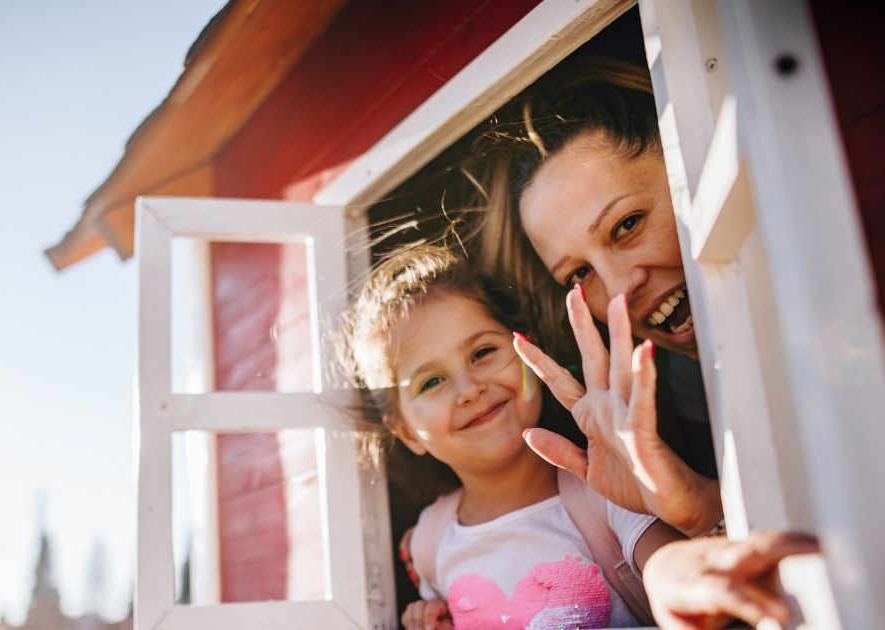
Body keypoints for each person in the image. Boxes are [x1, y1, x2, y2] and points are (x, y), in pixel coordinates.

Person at [471, 56, 817, 627]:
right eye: (578, 274)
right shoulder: (675, 391)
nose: (618, 290)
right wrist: (698, 511)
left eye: (627, 225)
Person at [341, 245, 684, 629]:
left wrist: (699, 583)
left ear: (531, 355)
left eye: (483, 352)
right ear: (405, 432)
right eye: (432, 381)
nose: (469, 389)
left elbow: (677, 573)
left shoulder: (605, 487)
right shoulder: (429, 543)